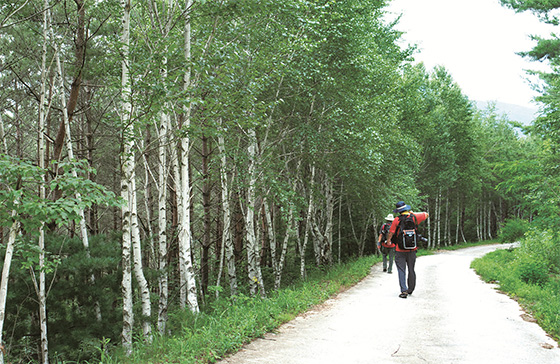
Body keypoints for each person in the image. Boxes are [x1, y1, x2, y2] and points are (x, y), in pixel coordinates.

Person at [386, 201, 429, 299]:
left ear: (399, 211)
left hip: (399, 249)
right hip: (412, 249)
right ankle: (411, 289)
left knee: (401, 270)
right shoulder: (414, 217)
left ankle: (404, 291)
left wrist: (389, 241)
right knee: (411, 269)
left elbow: (391, 232)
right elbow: (426, 214)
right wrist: (413, 213)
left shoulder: (397, 220)